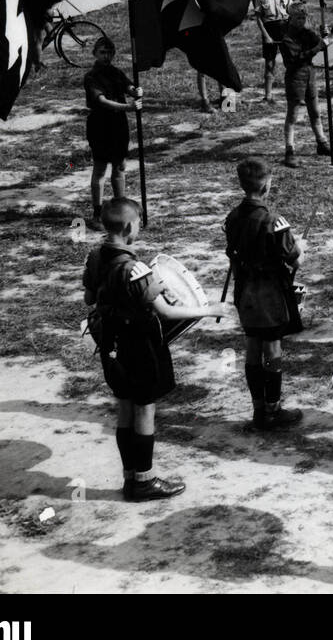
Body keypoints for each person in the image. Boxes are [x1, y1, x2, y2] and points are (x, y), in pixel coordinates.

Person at [83, 198, 229, 501]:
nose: (138, 228)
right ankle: (145, 481)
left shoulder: (95, 257)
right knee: (145, 408)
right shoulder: (135, 269)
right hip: (139, 344)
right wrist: (206, 309)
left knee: (124, 407)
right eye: (137, 223)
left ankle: (129, 478)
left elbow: (88, 299)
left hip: (111, 342)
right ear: (127, 226)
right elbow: (167, 313)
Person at [225, 158, 305, 431]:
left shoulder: (232, 217)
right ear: (267, 186)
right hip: (269, 293)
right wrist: (299, 247)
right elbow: (294, 259)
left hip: (244, 290)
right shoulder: (274, 222)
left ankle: (258, 410)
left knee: (252, 347)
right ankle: (273, 409)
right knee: (272, 349)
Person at [84, 37, 140, 225]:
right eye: (102, 52)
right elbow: (102, 101)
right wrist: (128, 108)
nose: (106, 56)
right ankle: (97, 213)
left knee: (119, 167)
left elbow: (128, 87)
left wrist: (135, 90)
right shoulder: (91, 77)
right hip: (100, 125)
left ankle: (119, 207)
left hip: (118, 126)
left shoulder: (116, 72)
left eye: (109, 53)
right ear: (95, 54)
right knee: (100, 169)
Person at [278, 3, 333, 167]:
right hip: (295, 77)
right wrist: (319, 46)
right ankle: (289, 150)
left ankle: (322, 143)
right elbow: (297, 58)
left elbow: (320, 43)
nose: (302, 20)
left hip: (310, 75)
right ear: (291, 18)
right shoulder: (286, 37)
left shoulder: (306, 33)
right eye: (298, 17)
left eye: (304, 17)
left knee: (315, 112)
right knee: (293, 115)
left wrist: (324, 34)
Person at [253, 0, 292, 104]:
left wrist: (291, 33)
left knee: (290, 62)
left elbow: (291, 12)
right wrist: (266, 36)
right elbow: (258, 18)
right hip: (269, 29)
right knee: (269, 64)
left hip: (284, 27)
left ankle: (292, 92)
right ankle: (268, 96)